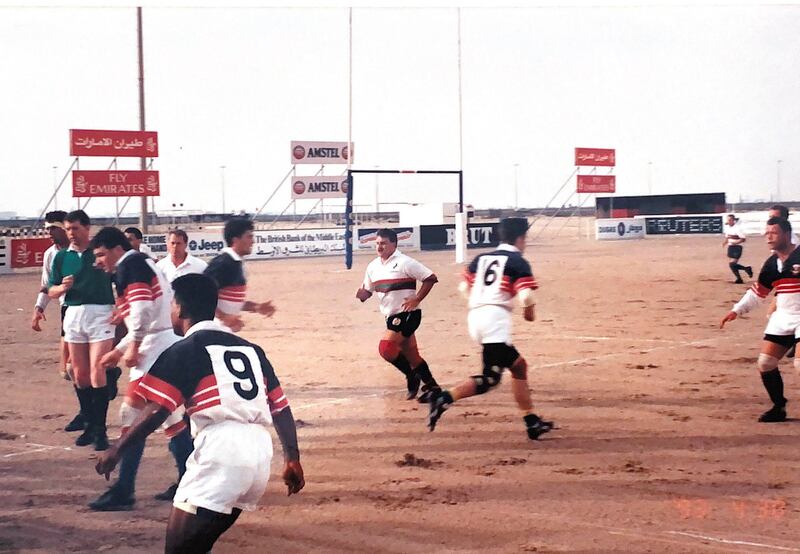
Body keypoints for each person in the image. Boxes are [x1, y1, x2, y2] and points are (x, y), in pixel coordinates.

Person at [95, 273, 304, 553]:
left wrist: (117, 449)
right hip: (259, 455)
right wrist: (292, 458)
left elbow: (157, 410)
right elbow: (280, 407)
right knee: (198, 544)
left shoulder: (184, 350)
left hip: (221, 454)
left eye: (172, 305)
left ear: (180, 308)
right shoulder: (252, 350)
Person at [88, 227, 194, 511]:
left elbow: (144, 309)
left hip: (154, 347)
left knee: (133, 415)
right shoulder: (140, 261)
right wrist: (122, 346)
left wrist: (130, 346)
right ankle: (189, 480)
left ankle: (124, 490)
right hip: (160, 343)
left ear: (115, 250)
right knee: (170, 418)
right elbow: (147, 310)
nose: (98, 261)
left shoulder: (129, 264)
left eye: (100, 255)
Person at [427, 218, 553, 440]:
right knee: (490, 379)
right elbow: (526, 295)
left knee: (519, 366)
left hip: (475, 316)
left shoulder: (481, 258)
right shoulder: (518, 261)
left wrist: (479, 303)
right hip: (495, 319)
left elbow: (463, 286)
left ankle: (531, 421)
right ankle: (445, 398)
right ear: (521, 238)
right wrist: (529, 313)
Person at [47, 210, 120, 450]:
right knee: (79, 374)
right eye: (68, 229)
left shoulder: (99, 253)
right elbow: (50, 290)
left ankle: (100, 430)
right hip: (74, 312)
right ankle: (89, 422)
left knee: (97, 370)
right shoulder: (60, 258)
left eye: (76, 229)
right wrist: (61, 288)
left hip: (100, 312)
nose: (72, 234)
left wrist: (121, 308)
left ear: (87, 228)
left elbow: (118, 278)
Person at [721, 217, 800, 422]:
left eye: (773, 232)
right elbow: (758, 292)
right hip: (784, 316)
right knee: (765, 363)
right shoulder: (772, 263)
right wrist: (737, 310)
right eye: (766, 232)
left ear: (786, 233)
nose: (768, 236)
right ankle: (779, 407)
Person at [356, 228, 441, 401]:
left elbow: (430, 278)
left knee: (386, 349)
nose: (379, 247)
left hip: (408, 314)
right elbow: (367, 292)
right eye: (377, 243)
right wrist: (361, 295)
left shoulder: (405, 262)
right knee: (412, 355)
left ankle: (411, 375)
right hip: (390, 317)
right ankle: (433, 386)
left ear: (394, 244)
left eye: (384, 243)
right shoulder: (372, 266)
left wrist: (417, 298)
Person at [203, 218, 275, 332]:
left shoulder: (236, 263)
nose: (253, 241)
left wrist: (256, 307)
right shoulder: (223, 263)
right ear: (235, 240)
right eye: (249, 237)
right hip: (213, 329)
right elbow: (200, 296)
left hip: (223, 330)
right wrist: (223, 317)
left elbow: (230, 301)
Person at [31, 211, 71, 381]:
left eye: (52, 228)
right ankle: (66, 370)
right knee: (66, 337)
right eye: (47, 229)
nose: (48, 233)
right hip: (68, 305)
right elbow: (47, 285)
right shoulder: (50, 254)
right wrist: (38, 308)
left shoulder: (86, 250)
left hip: (95, 305)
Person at [723, 214, 752, 284]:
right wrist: (725, 242)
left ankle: (742, 274)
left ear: (733, 220)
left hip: (737, 247)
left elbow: (743, 239)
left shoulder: (737, 228)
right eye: (728, 220)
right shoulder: (728, 228)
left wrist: (735, 243)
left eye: (730, 220)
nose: (728, 221)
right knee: (732, 265)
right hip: (731, 247)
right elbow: (728, 237)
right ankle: (742, 275)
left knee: (732, 264)